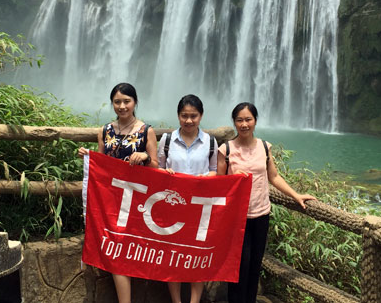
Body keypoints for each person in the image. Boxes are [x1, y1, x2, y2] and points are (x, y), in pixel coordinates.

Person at [217, 102, 316, 303]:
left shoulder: (264, 147)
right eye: (239, 120)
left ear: (255, 121)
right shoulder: (226, 150)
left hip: (261, 214)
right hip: (237, 219)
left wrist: (296, 195)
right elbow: (219, 184)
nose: (244, 124)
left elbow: (274, 177)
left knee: (254, 266)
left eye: (248, 119)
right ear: (234, 123)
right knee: (239, 267)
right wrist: (233, 179)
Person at [79, 82, 158, 303]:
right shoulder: (105, 130)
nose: (122, 106)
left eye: (126, 101)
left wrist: (145, 157)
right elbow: (101, 162)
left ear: (135, 102)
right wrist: (88, 156)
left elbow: (156, 168)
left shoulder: (146, 131)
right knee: (117, 249)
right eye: (117, 102)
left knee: (129, 248)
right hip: (111, 199)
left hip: (136, 199)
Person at [157, 94, 217, 303]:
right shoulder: (166, 141)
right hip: (171, 207)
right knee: (172, 257)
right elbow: (159, 169)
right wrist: (166, 174)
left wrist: (205, 178)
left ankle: (194, 301)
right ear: (178, 116)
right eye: (184, 116)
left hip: (199, 209)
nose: (189, 120)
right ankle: (176, 301)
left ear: (201, 116)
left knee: (197, 257)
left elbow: (214, 171)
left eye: (194, 116)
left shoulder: (210, 142)